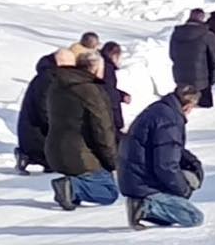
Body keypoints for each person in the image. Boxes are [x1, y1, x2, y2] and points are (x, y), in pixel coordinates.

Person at [118, 83, 205, 229]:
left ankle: (147, 206)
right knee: (194, 217)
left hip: (135, 177)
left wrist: (191, 161)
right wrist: (183, 189)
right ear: (188, 106)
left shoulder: (161, 110)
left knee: (170, 217)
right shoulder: (170, 120)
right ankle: (145, 206)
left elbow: (169, 147)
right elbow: (166, 165)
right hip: (144, 183)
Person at [46, 50, 118, 211]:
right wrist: (112, 160)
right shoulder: (90, 91)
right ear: (95, 68)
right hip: (82, 156)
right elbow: (102, 130)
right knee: (109, 193)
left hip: (55, 151)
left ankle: (71, 191)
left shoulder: (57, 85)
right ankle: (73, 187)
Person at [15, 47, 75, 174]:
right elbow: (44, 107)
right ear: (61, 63)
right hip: (36, 130)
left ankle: (31, 157)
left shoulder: (48, 76)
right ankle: (28, 156)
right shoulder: (48, 79)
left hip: (35, 128)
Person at [169, 9, 215, 109]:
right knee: (203, 106)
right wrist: (212, 79)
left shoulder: (177, 33)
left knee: (180, 103)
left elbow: (172, 55)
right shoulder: (207, 35)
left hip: (180, 77)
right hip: (202, 81)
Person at [99, 42, 130, 141]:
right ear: (114, 55)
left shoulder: (102, 65)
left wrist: (122, 95)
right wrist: (118, 122)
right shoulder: (107, 69)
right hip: (108, 114)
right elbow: (109, 91)